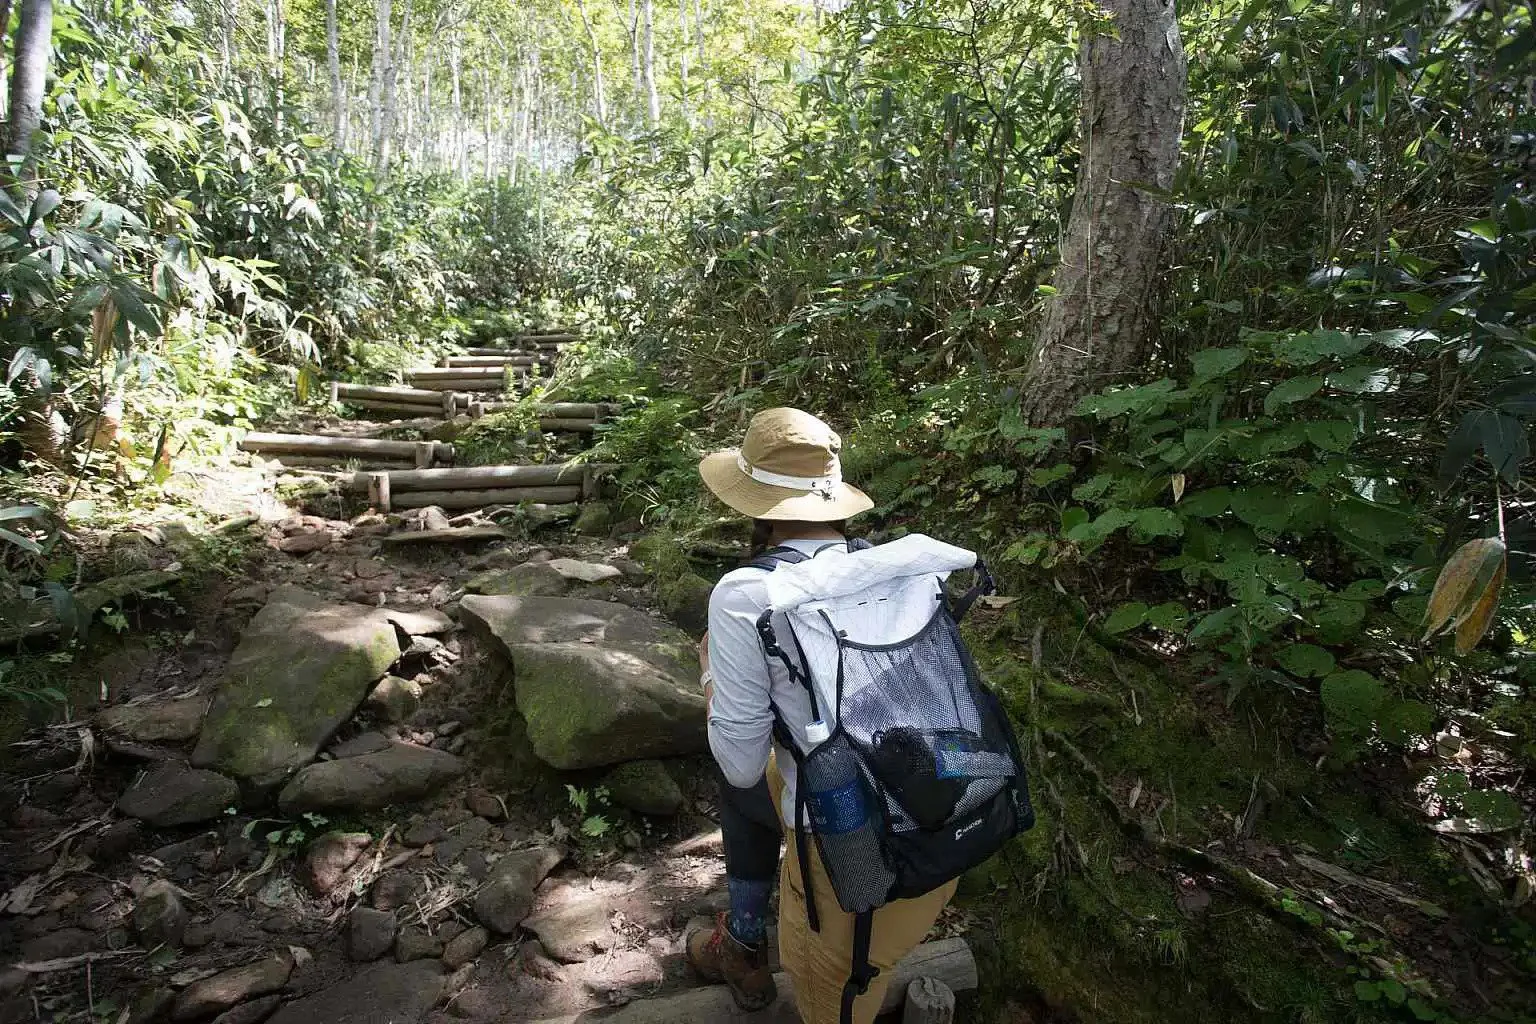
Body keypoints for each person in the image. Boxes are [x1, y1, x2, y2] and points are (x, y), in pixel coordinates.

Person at [684, 407, 961, 1024]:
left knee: (834, 1001)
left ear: (756, 504)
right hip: (945, 825)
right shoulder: (902, 569)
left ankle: (746, 940)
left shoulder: (744, 595)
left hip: (850, 862)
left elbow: (737, 762)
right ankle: (743, 939)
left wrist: (710, 674)